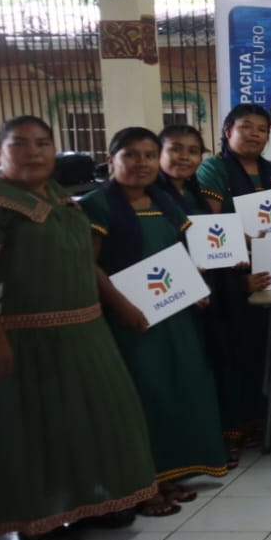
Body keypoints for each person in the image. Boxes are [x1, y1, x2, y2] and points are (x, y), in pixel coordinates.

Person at [0, 116, 157, 540]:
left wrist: (119, 302)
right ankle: (38, 521)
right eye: (20, 144)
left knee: (95, 419)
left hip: (85, 328)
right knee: (37, 427)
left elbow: (85, 263)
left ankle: (95, 502)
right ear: (0, 154)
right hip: (27, 340)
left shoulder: (61, 199)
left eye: (43, 143)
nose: (34, 152)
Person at [82, 127, 227, 515]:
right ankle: (139, 485)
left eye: (149, 155)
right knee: (142, 397)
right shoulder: (98, 205)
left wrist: (196, 286)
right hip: (131, 322)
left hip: (176, 316)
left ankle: (164, 474)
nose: (142, 163)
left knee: (175, 392)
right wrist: (121, 306)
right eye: (131, 155)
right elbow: (89, 265)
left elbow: (182, 253)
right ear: (111, 160)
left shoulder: (164, 201)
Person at [196, 104, 271, 459]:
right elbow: (210, 226)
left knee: (256, 353)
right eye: (245, 126)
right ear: (228, 130)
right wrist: (245, 246)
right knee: (228, 354)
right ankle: (228, 429)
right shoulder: (214, 168)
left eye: (261, 129)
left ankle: (253, 422)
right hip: (226, 277)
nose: (253, 134)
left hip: (269, 273)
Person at [157, 122, 209, 214]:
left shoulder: (195, 194)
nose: (184, 157)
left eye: (193, 151)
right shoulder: (146, 195)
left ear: (200, 158)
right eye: (175, 149)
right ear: (158, 153)